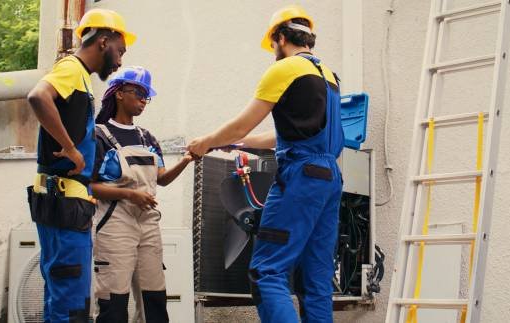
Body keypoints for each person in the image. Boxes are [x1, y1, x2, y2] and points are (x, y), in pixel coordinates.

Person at [187, 5, 343, 323]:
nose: (273, 51)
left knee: (267, 273)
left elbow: (242, 123)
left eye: (272, 44)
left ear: (281, 37)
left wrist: (207, 142)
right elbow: (288, 133)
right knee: (315, 282)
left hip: (300, 177)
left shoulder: (284, 70)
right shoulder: (329, 76)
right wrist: (240, 144)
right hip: (329, 179)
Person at [26, 8, 135, 322]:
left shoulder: (79, 78)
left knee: (61, 294)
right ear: (103, 41)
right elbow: (37, 97)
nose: (120, 61)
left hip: (63, 201)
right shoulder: (71, 68)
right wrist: (71, 149)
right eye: (120, 50)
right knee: (71, 302)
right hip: (65, 203)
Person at [91, 66, 194, 323]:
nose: (143, 100)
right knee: (113, 300)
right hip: (115, 224)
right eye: (138, 93)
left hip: (148, 224)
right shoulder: (99, 135)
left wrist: (187, 160)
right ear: (118, 93)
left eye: (146, 95)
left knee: (154, 299)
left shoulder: (146, 137)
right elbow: (88, 185)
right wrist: (129, 195)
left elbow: (162, 179)